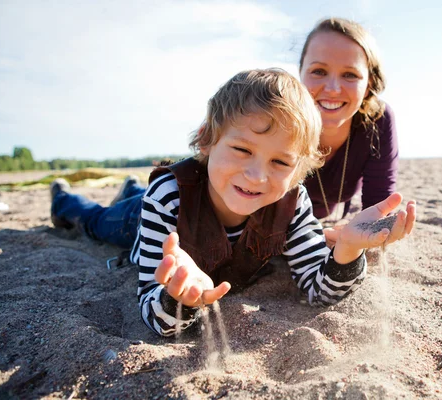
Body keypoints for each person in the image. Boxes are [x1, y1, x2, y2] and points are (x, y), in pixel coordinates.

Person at [50, 68, 416, 337]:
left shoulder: (291, 202)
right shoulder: (168, 196)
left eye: (281, 162)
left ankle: (128, 189)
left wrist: (348, 250)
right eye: (242, 150)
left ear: (300, 169)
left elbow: (318, 289)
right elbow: (152, 309)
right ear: (207, 141)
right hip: (141, 218)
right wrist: (179, 299)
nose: (257, 176)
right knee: (97, 221)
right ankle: (65, 198)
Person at [299, 17, 399, 224]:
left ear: (369, 83)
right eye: (319, 71)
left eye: (350, 75)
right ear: (300, 73)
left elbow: (378, 205)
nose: (333, 89)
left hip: (329, 216)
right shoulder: (277, 117)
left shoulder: (377, 121)